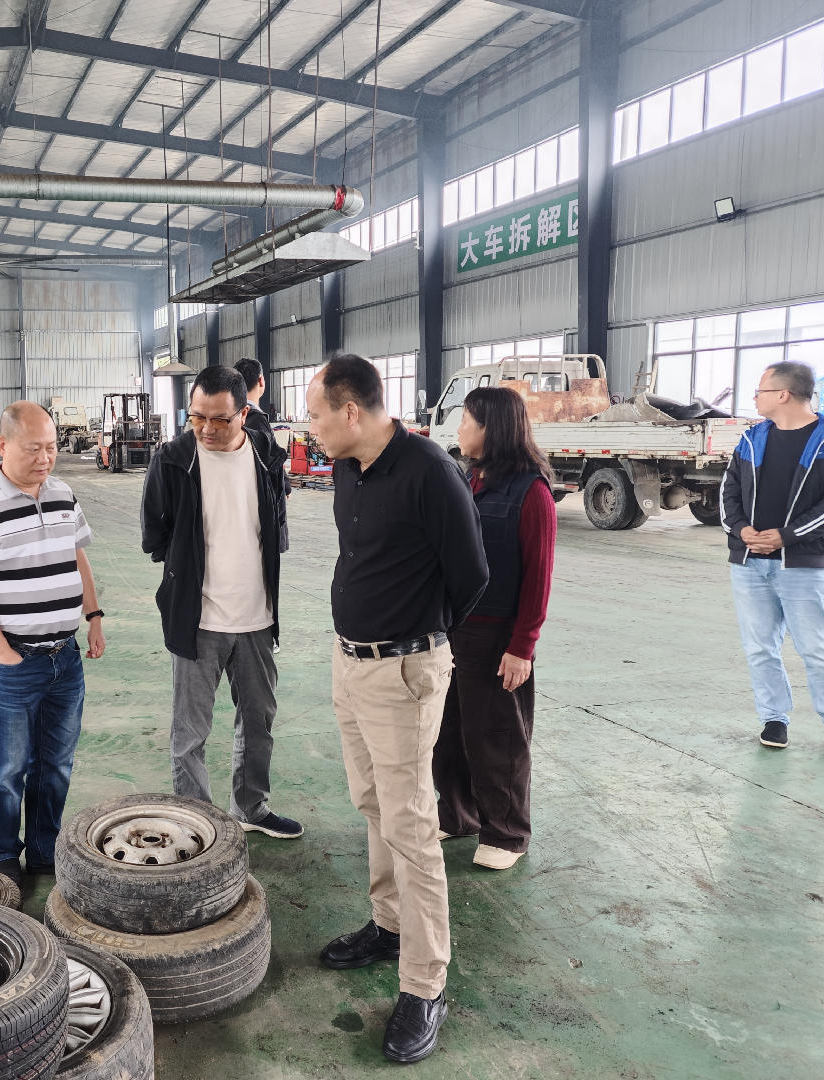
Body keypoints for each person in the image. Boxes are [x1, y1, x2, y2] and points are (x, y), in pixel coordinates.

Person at [305, 356, 487, 1065]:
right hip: (349, 663)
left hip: (403, 671)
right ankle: (388, 925)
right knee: (373, 801)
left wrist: (419, 642)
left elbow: (471, 575)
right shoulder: (348, 468)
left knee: (411, 825)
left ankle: (424, 983)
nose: (310, 428)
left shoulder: (429, 472)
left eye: (316, 415)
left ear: (351, 411)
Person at [0, 402, 107, 887]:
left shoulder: (63, 493)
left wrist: (93, 617)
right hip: (14, 660)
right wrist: (1, 652)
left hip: (65, 656)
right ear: (2, 446)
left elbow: (77, 556)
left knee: (55, 764)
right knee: (9, 768)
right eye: (34, 448)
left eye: (52, 448)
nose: (45, 458)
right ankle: (4, 856)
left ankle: (42, 851)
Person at [141, 365, 299, 840]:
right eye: (197, 417)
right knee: (190, 732)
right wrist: (186, 566)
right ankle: (197, 823)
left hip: (256, 618)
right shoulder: (173, 459)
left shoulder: (266, 455)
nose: (206, 429)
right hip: (198, 620)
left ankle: (252, 807)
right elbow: (155, 535)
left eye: (219, 419)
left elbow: (277, 524)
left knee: (258, 722)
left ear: (244, 413)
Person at [431, 386, 557, 871]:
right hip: (453, 631)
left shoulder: (531, 492)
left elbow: (538, 577)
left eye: (466, 420)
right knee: (448, 732)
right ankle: (457, 814)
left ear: (491, 429)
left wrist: (522, 646)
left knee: (497, 738)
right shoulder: (470, 480)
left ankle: (506, 832)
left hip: (498, 636)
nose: (460, 429)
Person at [721, 361, 824, 756]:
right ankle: (774, 718)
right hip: (749, 562)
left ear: (783, 394)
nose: (754, 398)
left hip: (802, 562)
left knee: (817, 647)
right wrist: (741, 530)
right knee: (760, 646)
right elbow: (728, 492)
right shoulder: (751, 438)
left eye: (760, 390)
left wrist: (787, 536)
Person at [235, 356, 290, 553]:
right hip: (259, 519)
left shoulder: (233, 418)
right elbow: (269, 464)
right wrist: (283, 487)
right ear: (261, 380)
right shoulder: (255, 419)